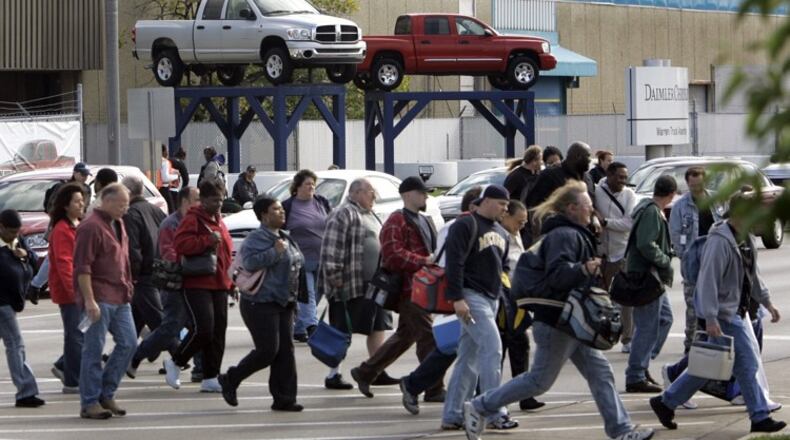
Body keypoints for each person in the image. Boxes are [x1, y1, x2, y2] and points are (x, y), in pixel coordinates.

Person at [463, 181, 654, 440]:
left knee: (601, 374)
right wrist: (583, 269)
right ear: (573, 208)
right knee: (538, 381)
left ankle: (621, 431)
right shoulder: (565, 235)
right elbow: (557, 275)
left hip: (571, 321)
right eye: (588, 206)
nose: (592, 211)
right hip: (558, 322)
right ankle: (480, 405)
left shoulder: (570, 233)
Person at [650, 192, 786, 434]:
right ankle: (759, 416)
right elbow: (708, 282)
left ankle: (665, 402)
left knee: (711, 367)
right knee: (748, 363)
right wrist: (710, 317)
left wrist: (767, 302)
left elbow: (752, 275)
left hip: (737, 310)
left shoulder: (744, 238)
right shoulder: (720, 241)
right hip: (724, 314)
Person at [349, 176, 443, 400]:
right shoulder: (396, 220)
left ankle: (366, 371)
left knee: (406, 335)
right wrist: (424, 261)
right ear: (408, 194)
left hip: (424, 288)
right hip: (409, 290)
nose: (425, 196)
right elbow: (392, 256)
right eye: (421, 193)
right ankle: (433, 388)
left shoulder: (425, 220)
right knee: (428, 337)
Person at [399, 186, 482, 416]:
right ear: (474, 206)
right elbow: (449, 261)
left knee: (460, 346)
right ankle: (480, 399)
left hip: (470, 293)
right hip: (461, 293)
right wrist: (458, 296)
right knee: (465, 346)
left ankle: (416, 384)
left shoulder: (464, 227)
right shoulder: (460, 227)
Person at [442, 184, 517, 431]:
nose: (504, 209)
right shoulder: (465, 225)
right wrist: (457, 298)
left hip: (491, 298)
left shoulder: (501, 232)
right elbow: (454, 264)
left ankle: (453, 414)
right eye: (501, 204)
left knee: (468, 358)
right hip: (470, 297)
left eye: (507, 205)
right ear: (485, 201)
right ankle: (493, 410)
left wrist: (505, 295)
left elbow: (503, 267)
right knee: (492, 348)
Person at [218, 197, 305, 411]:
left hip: (283, 302)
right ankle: (231, 378)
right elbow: (250, 262)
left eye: (281, 209)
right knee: (267, 351)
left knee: (285, 351)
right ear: (264, 215)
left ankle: (285, 399)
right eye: (276, 209)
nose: (281, 212)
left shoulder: (285, 236)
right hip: (259, 302)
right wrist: (275, 251)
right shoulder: (257, 238)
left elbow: (297, 263)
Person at [318, 178, 393, 390]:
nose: (374, 197)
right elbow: (331, 245)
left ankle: (376, 370)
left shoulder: (370, 214)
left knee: (378, 326)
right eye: (371, 193)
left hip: (374, 284)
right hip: (350, 283)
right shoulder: (344, 213)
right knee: (342, 330)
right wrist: (333, 275)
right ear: (357, 193)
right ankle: (333, 374)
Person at [74, 183, 136, 419]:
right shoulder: (90, 227)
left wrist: (129, 284)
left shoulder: (119, 223)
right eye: (121, 204)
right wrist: (89, 301)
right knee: (93, 349)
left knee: (129, 342)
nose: (125, 209)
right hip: (98, 296)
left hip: (120, 295)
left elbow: (124, 259)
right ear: (106, 201)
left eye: (127, 204)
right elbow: (82, 266)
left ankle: (105, 392)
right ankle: (89, 402)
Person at [164, 180, 233, 392]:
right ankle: (176, 361)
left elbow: (226, 254)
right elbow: (180, 245)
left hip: (220, 283)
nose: (218, 204)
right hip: (197, 282)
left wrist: (231, 282)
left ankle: (211, 376)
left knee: (218, 332)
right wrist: (206, 241)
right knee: (204, 328)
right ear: (202, 200)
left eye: (221, 200)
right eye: (214, 200)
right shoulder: (193, 219)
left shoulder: (219, 220)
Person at [128, 186, 202, 382]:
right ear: (186, 201)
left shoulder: (197, 222)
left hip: (194, 283)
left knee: (200, 326)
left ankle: (201, 369)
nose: (200, 203)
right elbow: (169, 254)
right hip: (174, 284)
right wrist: (194, 257)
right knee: (169, 327)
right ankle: (136, 356)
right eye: (197, 199)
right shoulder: (171, 224)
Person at [624, 175, 676, 393]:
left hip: (651, 276)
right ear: (672, 194)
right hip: (647, 276)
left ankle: (642, 362)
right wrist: (665, 259)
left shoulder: (652, 209)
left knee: (664, 319)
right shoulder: (652, 212)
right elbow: (646, 244)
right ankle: (635, 375)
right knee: (647, 326)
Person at [497, 199, 544, 411]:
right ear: (505, 216)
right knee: (498, 350)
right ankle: (489, 395)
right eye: (519, 221)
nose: (522, 226)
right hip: (502, 300)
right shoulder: (499, 236)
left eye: (525, 222)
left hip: (517, 299)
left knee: (520, 346)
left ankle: (525, 395)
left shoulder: (515, 234)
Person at [669, 166, 721, 353]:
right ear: (688, 184)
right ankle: (690, 346)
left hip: (715, 259)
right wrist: (685, 255)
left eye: (699, 185)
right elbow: (675, 235)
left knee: (716, 303)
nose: (696, 189)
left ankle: (714, 342)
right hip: (693, 263)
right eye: (692, 186)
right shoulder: (680, 206)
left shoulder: (717, 201)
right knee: (693, 307)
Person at [0, 209, 45, 408]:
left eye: (17, 232)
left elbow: (34, 261)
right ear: (1, 227)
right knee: (16, 345)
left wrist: (25, 254)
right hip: (2, 302)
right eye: (10, 232)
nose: (14, 236)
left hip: (13, 300)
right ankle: (26, 391)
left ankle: (26, 391)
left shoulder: (17, 242)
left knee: (15, 344)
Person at [282, 169, 332, 342]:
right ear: (297, 187)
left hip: (323, 258)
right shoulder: (288, 206)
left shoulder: (321, 202)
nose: (311, 187)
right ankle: (312, 326)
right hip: (301, 259)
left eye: (313, 184)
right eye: (307, 184)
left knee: (318, 293)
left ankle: (298, 328)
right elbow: (280, 230)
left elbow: (331, 223)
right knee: (308, 293)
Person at [47, 183, 86, 394]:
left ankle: (64, 367)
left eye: (82, 200)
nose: (82, 204)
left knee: (80, 335)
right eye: (77, 201)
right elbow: (64, 265)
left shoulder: (77, 224)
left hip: (81, 291)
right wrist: (75, 294)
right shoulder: (62, 230)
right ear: (65, 206)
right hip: (70, 293)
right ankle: (72, 381)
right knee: (75, 336)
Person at [594, 162, 637, 352]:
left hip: (622, 252)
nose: (623, 181)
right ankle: (596, 335)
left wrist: (606, 222)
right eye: (619, 177)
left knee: (626, 299)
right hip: (601, 253)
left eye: (625, 177)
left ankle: (628, 339)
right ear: (609, 175)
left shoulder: (629, 195)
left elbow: (629, 223)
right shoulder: (596, 192)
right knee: (600, 297)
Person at [122, 176, 167, 340]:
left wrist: (133, 277)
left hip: (144, 274)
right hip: (159, 269)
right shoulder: (155, 210)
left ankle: (178, 354)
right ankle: (128, 355)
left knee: (159, 322)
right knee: (135, 319)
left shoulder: (131, 214)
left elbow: (133, 249)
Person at [526, 142, 594, 210]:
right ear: (578, 156)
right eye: (588, 156)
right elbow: (533, 206)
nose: (590, 160)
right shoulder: (550, 175)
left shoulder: (588, 178)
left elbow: (593, 205)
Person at [156, 144, 181, 214]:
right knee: (171, 211)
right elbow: (165, 178)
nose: (168, 152)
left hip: (154, 189)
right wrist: (176, 176)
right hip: (164, 189)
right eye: (167, 150)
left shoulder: (153, 161)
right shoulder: (164, 162)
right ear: (163, 152)